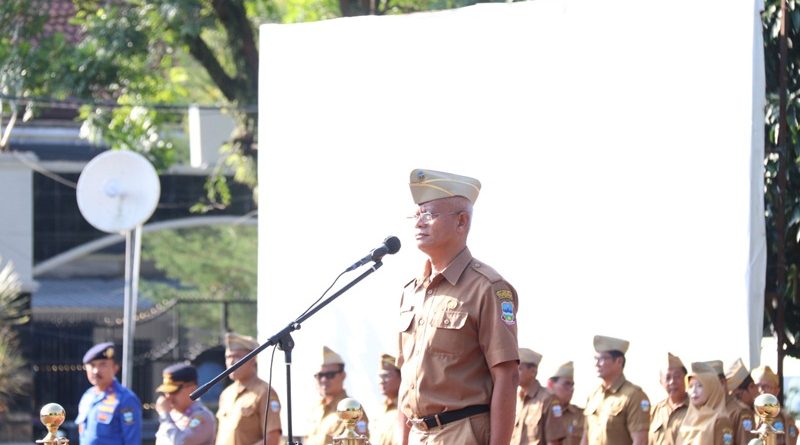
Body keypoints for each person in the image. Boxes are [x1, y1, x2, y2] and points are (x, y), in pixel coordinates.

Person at [397, 168, 520, 445]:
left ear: (461, 222)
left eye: (429, 214)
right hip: (417, 433)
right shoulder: (412, 291)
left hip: (461, 433)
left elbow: (507, 376)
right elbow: (406, 378)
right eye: (416, 215)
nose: (419, 223)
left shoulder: (488, 288)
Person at [580, 335, 649, 445]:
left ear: (619, 361)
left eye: (602, 359)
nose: (597, 364)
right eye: (596, 359)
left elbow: (640, 441)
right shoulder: (593, 396)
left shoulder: (634, 395)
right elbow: (586, 436)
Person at [215, 333, 282, 445]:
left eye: (237, 356)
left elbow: (272, 440)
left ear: (253, 359)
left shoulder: (264, 392)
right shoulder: (226, 394)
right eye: (228, 357)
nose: (231, 362)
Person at [75, 342, 142, 445]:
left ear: (115, 368)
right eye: (92, 365)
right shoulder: (87, 396)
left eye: (103, 365)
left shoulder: (126, 399)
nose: (96, 371)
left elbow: (132, 440)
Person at [305, 346, 369, 445]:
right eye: (320, 375)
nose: (324, 380)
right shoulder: (316, 409)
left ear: (343, 375)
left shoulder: (351, 409)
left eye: (330, 375)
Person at [155, 363, 216, 445]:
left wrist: (165, 416)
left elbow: (181, 442)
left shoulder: (201, 417)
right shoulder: (171, 415)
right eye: (166, 392)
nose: (168, 396)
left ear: (192, 389)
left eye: (173, 391)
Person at [675, 362, 734, 445]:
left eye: (700, 386)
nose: (694, 391)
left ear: (711, 388)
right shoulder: (688, 420)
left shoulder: (719, 421)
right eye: (691, 386)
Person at [511, 348, 555, 445]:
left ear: (533, 372)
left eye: (519, 369)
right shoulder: (517, 400)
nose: (514, 373)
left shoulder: (547, 399)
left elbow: (554, 441)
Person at [751, 365, 798, 445]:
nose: (761, 390)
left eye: (766, 386)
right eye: (757, 386)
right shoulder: (747, 414)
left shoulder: (785, 418)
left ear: (776, 390)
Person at [649, 353, 689, 445]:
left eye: (676, 376)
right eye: (667, 378)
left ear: (686, 379)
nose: (672, 382)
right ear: (661, 382)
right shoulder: (654, 412)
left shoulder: (697, 409)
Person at [545, 361, 583, 445]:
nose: (571, 389)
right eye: (566, 384)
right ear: (550, 385)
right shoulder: (538, 413)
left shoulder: (581, 416)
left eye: (572, 385)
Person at [724, 358, 758, 445]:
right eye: (754, 387)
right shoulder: (743, 412)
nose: (758, 392)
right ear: (751, 387)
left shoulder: (725, 408)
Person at [373, 354, 401, 445]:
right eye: (380, 377)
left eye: (386, 376)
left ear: (401, 377)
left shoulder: (407, 408)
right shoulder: (380, 410)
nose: (381, 381)